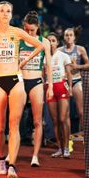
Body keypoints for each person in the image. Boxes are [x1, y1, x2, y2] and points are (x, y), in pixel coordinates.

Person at [0, 1, 47, 178]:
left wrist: (23, 62)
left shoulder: (18, 32)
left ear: (12, 15)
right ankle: (1, 159)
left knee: (14, 125)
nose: (5, 14)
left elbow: (40, 46)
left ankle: (12, 164)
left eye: (8, 11)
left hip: (15, 79)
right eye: (2, 11)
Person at [19, 11, 53, 167]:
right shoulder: (19, 40)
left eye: (32, 30)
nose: (29, 33)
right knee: (15, 120)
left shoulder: (44, 42)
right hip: (20, 81)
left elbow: (49, 67)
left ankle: (35, 156)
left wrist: (50, 86)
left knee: (37, 120)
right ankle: (13, 153)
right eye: (27, 30)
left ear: (38, 27)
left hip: (36, 81)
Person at [46, 32, 73, 158]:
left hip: (62, 87)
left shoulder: (63, 55)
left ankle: (67, 147)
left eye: (53, 40)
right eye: (49, 40)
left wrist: (71, 88)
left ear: (57, 43)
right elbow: (42, 74)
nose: (51, 43)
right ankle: (60, 148)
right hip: (50, 88)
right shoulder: (44, 57)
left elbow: (69, 73)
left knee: (63, 119)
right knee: (55, 121)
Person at [60, 26, 89, 136]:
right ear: (63, 37)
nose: (68, 37)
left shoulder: (80, 49)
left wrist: (77, 65)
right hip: (64, 82)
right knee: (65, 113)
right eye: (66, 35)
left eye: (70, 35)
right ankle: (66, 136)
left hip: (77, 80)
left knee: (81, 111)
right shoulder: (59, 50)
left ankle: (85, 134)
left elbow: (88, 65)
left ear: (74, 37)